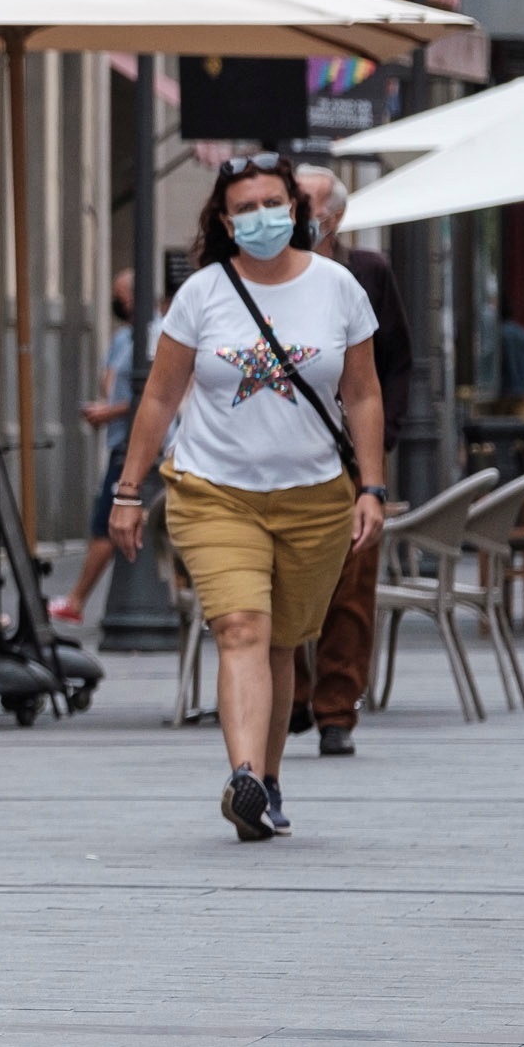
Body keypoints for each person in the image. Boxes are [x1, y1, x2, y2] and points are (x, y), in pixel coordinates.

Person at [111, 155, 388, 841]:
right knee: (242, 629)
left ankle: (267, 780)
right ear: (226, 221)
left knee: (284, 642)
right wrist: (126, 489)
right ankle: (244, 775)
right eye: (245, 208)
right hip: (213, 492)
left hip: (315, 498)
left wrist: (372, 488)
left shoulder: (339, 287)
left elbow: (363, 394)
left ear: (295, 208)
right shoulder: (203, 294)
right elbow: (159, 395)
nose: (261, 216)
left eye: (272, 202)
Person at [289, 166, 411, 757]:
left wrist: (378, 449)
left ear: (334, 215)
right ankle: (289, 699)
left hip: (348, 461)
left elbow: (395, 363)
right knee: (280, 581)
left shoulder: (366, 273)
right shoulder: (265, 277)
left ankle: (336, 710)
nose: (293, 212)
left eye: (304, 202)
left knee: (351, 589)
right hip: (283, 457)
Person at [48, 269, 141, 628]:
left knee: (107, 522)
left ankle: (76, 599)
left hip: (138, 444)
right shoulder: (123, 338)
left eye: (122, 295)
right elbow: (111, 379)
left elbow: (152, 393)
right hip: (119, 439)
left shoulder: (156, 331)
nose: (119, 303)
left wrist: (111, 410)